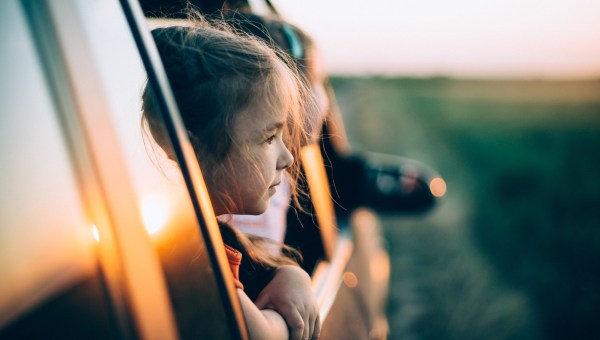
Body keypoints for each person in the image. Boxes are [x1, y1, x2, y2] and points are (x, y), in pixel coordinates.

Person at [140, 18, 320, 340]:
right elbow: (258, 336)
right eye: (268, 137)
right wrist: (285, 313)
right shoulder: (193, 258)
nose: (287, 157)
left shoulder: (210, 236)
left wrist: (291, 274)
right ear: (192, 151)